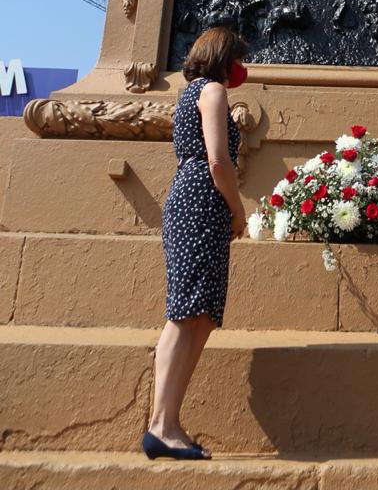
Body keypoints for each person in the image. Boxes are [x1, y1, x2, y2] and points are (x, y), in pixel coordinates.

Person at [142, 26, 249, 461]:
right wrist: (238, 210)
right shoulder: (214, 92)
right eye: (239, 56)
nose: (243, 66)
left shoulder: (191, 92)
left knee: (197, 314)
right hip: (202, 199)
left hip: (191, 197)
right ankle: (161, 425)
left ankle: (167, 423)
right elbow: (218, 159)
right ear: (225, 56)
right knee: (187, 313)